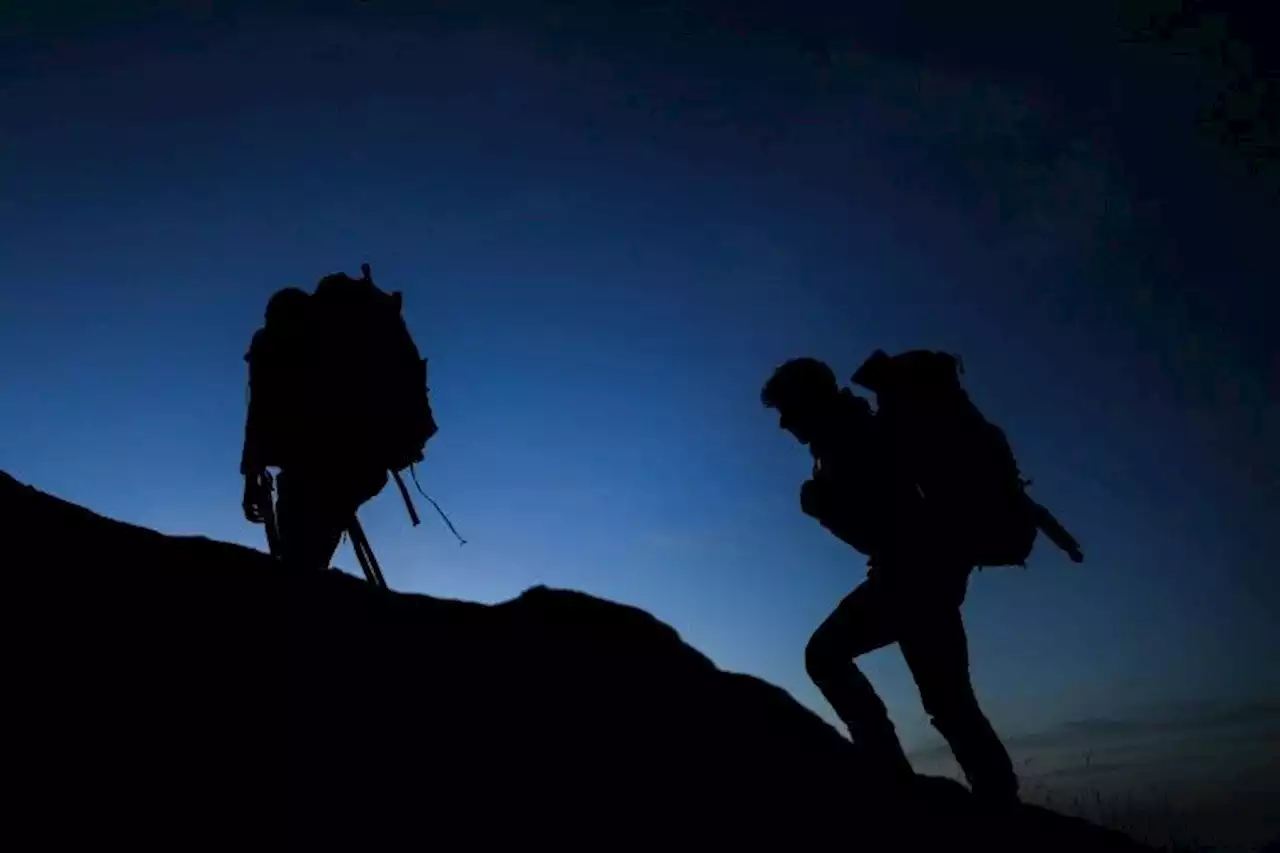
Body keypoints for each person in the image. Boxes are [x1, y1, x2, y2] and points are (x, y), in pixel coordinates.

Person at [761, 357, 1019, 803]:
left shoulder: (849, 438)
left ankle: (889, 772)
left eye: (787, 409)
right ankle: (994, 801)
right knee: (949, 703)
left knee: (827, 658)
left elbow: (887, 528)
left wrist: (824, 509)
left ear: (809, 400)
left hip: (911, 580)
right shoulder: (851, 433)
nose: (784, 423)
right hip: (923, 577)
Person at [240, 266, 437, 573]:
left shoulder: (276, 345)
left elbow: (260, 412)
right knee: (316, 533)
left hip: (319, 464)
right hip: (366, 459)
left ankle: (302, 599)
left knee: (301, 547)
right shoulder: (343, 335)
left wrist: (252, 474)